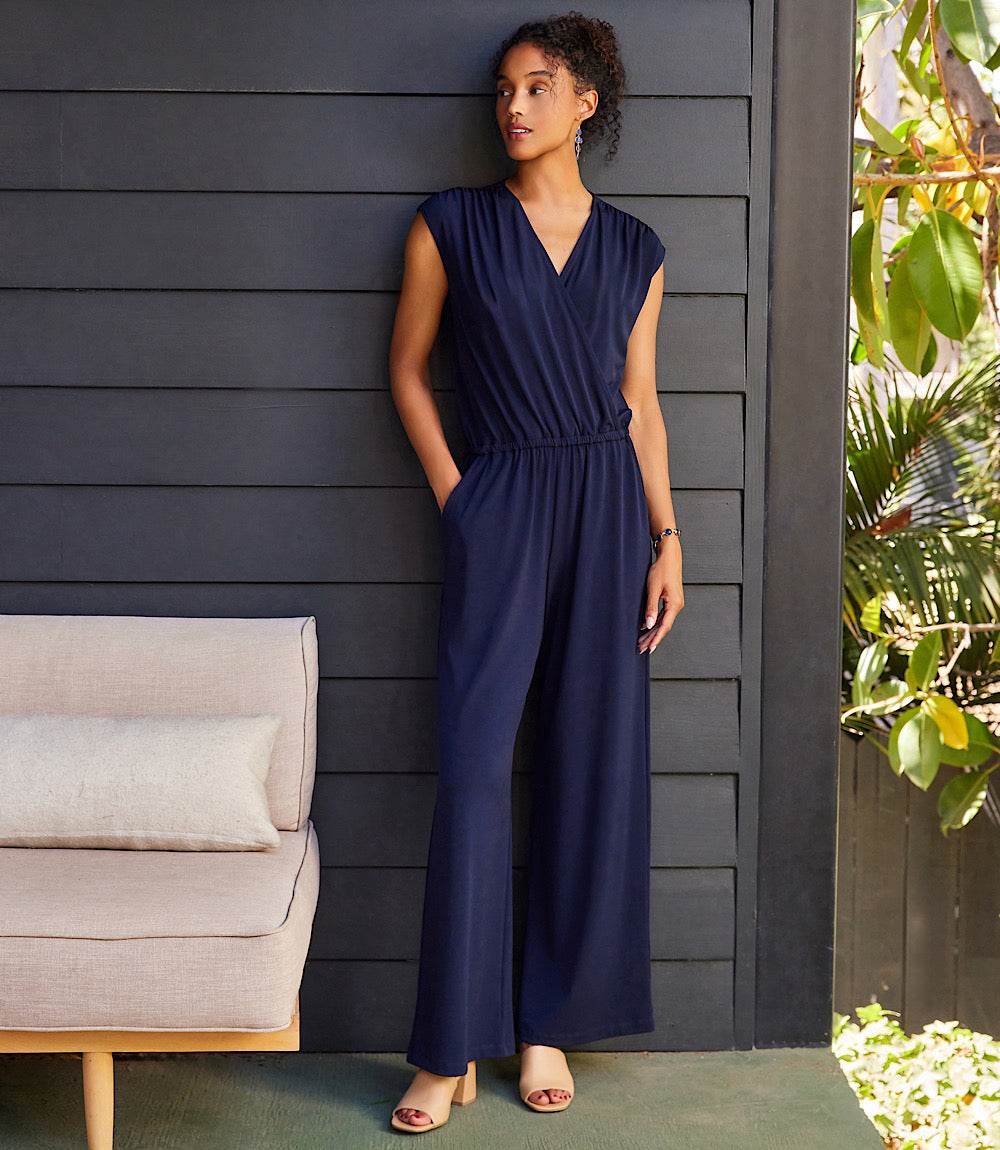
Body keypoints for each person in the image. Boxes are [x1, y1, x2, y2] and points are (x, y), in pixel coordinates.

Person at [386, 11, 683, 1133]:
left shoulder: (635, 250)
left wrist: (668, 537)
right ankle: (446, 1046)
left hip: (611, 510)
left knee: (583, 765)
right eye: (504, 89)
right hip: (502, 501)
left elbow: (641, 407)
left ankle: (544, 1023)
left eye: (538, 87)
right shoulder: (451, 225)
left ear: (585, 103)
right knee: (470, 768)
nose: (513, 106)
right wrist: (463, 500)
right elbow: (407, 373)